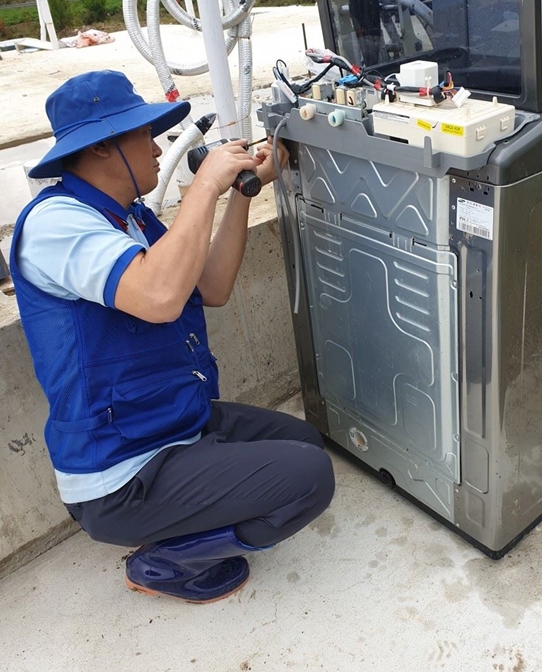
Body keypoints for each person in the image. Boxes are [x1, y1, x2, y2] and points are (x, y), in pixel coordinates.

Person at [10, 70, 335, 604]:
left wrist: (239, 194)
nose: (159, 147)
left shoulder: (131, 219)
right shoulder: (55, 224)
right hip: (125, 470)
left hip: (169, 423)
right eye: (145, 135)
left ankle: (187, 511)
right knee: (308, 478)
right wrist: (204, 184)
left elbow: (210, 287)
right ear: (102, 149)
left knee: (303, 443)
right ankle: (165, 561)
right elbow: (159, 297)